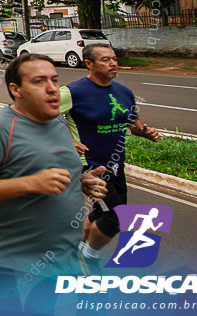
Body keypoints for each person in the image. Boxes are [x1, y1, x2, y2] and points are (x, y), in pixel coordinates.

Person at [0, 54, 108, 310]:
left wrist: (81, 182)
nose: (51, 88)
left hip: (58, 258)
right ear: (16, 90)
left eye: (54, 80)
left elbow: (51, 171)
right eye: (39, 81)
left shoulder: (59, 124)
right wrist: (31, 183)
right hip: (6, 262)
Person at [62, 44, 160, 270]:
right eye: (105, 60)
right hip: (90, 164)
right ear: (89, 64)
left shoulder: (124, 92)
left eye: (114, 59)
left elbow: (133, 124)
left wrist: (146, 132)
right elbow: (41, 116)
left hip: (115, 163)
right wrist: (67, 141)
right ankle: (90, 255)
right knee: (117, 218)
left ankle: (75, 248)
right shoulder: (72, 92)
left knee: (101, 211)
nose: (113, 63)